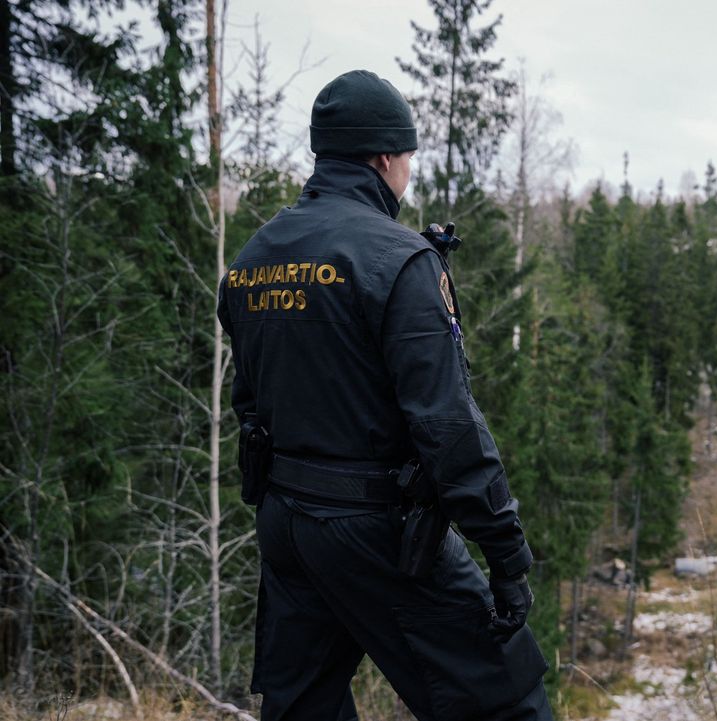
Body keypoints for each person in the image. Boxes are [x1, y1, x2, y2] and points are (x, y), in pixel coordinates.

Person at [216, 69, 550, 721]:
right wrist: (505, 553)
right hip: (380, 530)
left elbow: (250, 407)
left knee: (302, 707)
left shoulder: (254, 257)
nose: (408, 174)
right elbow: (449, 427)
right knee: (504, 702)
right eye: (408, 159)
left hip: (286, 525)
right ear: (385, 156)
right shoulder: (399, 259)